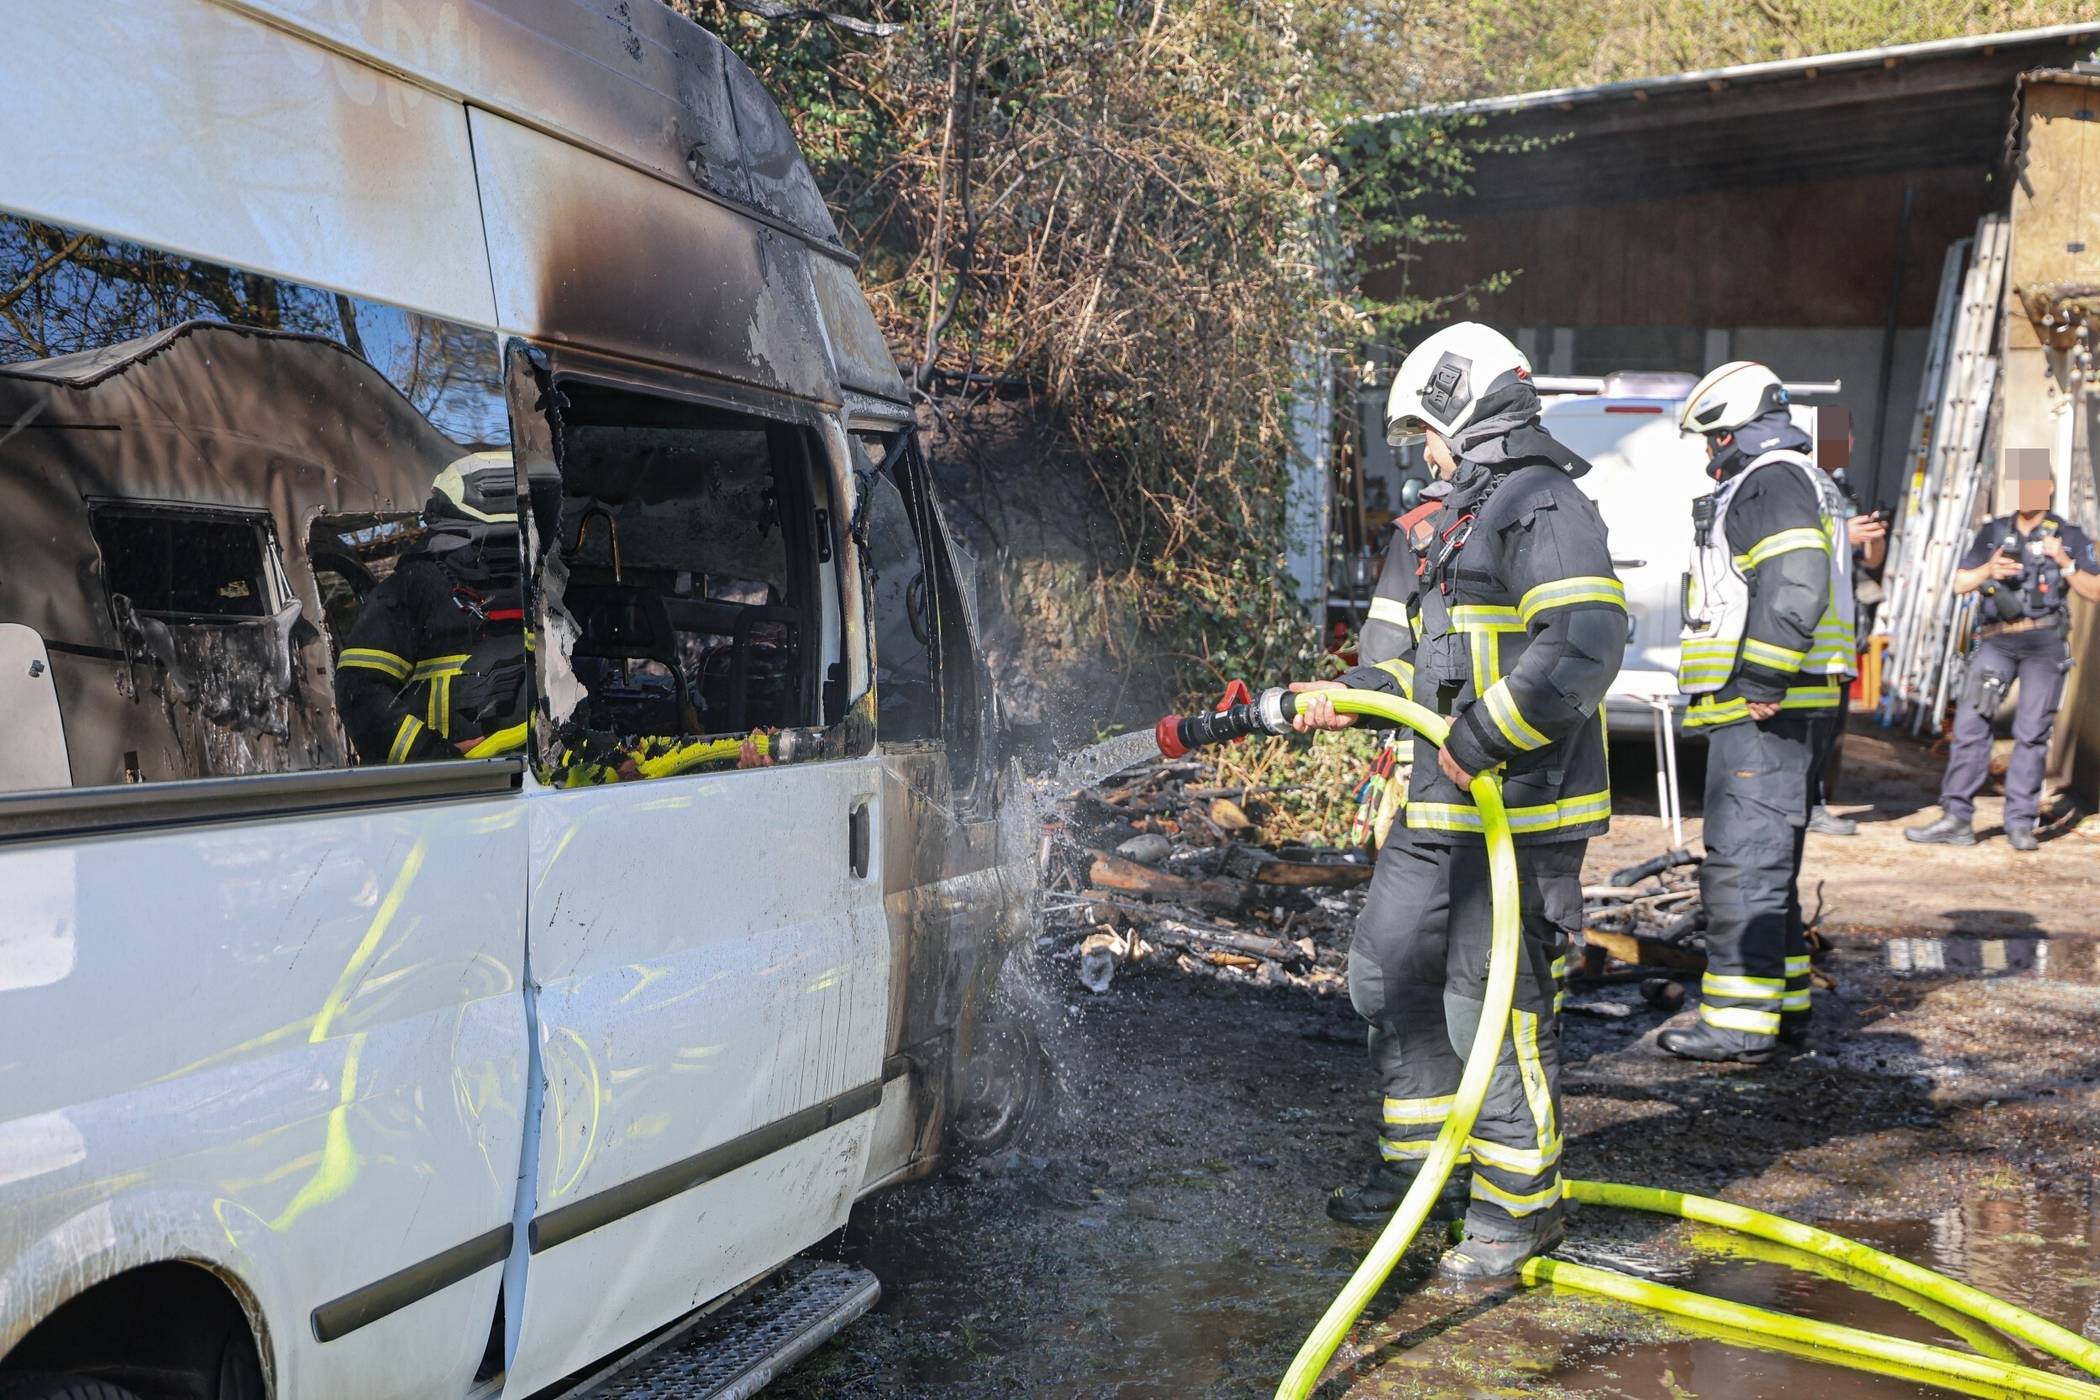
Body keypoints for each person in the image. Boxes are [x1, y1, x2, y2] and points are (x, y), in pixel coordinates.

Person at [1294, 322, 1625, 1280]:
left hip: (1517, 818)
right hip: (1434, 815)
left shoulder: (1543, 506)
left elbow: (1582, 646)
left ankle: (1518, 1212)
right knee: (1385, 974)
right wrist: (1340, 701)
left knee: (1493, 1008)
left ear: (1464, 409)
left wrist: (1475, 744)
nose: (1423, 453)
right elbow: (1387, 663)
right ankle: (1417, 1178)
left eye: (1426, 432)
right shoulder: (1434, 525)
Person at [1663, 362, 1855, 1065]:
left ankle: (1739, 1024)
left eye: (1709, 441)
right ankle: (1787, 1005)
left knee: (1743, 865)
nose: (1709, 457)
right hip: (1789, 708)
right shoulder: (1799, 478)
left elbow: (1796, 580)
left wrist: (1763, 675)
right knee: (1771, 865)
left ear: (1729, 431)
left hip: (1765, 709)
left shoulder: (1769, 481)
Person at [1905, 449, 2100, 851]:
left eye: (2035, 482)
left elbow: (2094, 591)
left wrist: (2063, 561)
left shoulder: (2069, 534)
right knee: (1971, 726)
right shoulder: (1993, 533)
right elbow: (1959, 583)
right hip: (1996, 639)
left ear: (2048, 488)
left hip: (2044, 642)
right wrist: (1988, 571)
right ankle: (1957, 817)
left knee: (2032, 733)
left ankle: (2020, 823)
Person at [335, 453, 531, 764]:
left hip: (546, 787)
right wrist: (435, 761)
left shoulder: (544, 588)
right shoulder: (415, 587)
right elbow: (360, 689)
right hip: (453, 799)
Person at [1807, 425, 1888, 837]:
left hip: (1843, 622)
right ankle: (1807, 803)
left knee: (1832, 721)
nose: (1840, 446)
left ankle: (1817, 799)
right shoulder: (1799, 481)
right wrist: (1843, 532)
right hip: (1809, 621)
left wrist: (1871, 538)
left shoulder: (1845, 487)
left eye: (1843, 438)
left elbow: (1872, 564)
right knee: (1809, 721)